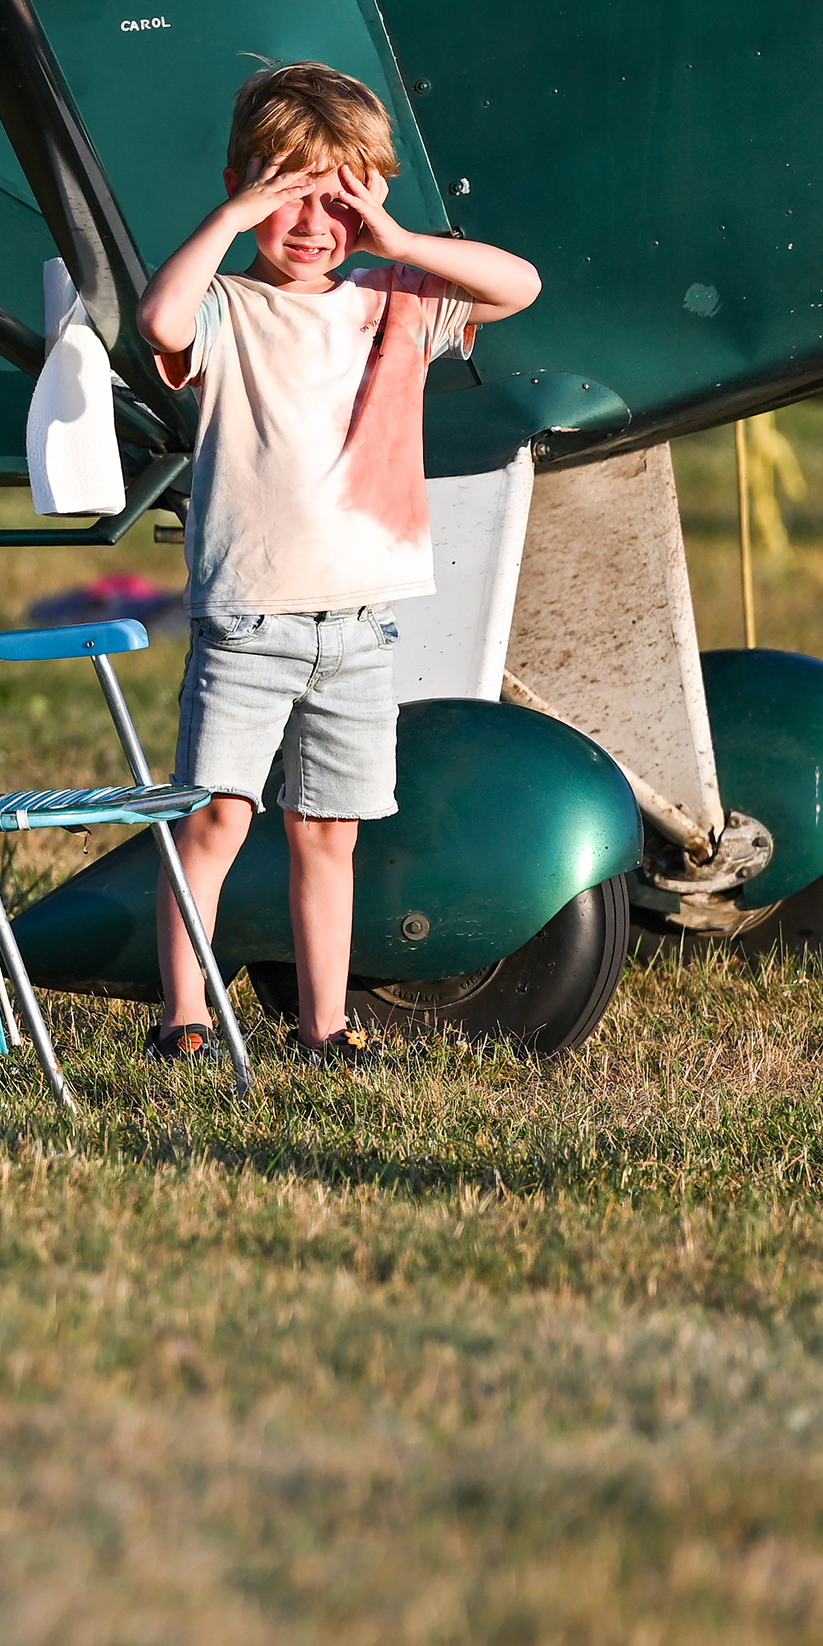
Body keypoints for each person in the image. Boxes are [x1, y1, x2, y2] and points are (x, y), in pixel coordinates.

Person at [133, 62, 540, 1065]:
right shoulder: (228, 305)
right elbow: (158, 323)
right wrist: (232, 218)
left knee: (330, 832)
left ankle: (324, 1025)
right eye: (289, 194)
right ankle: (181, 1014)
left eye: (338, 195)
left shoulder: (397, 298)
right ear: (245, 184)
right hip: (251, 614)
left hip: (358, 621)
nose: (313, 220)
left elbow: (519, 285)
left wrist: (398, 239)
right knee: (217, 815)